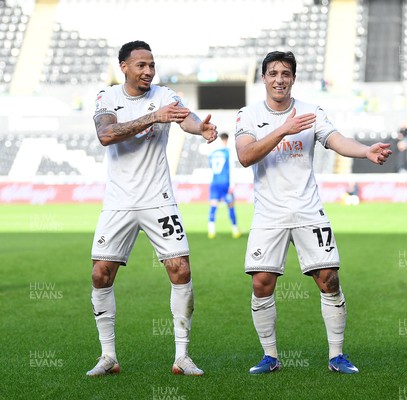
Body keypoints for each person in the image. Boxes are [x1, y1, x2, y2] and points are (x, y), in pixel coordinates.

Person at [235, 51, 391, 375]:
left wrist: (364, 151)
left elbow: (335, 140)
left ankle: (336, 356)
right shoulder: (247, 115)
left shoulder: (311, 112)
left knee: (329, 279)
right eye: (274, 73)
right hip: (269, 214)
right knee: (262, 283)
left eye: (286, 73)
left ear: (293, 78)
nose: (280, 79)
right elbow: (246, 155)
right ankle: (270, 356)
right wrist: (283, 130)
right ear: (263, 77)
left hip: (308, 209)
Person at [87, 41, 217, 377]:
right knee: (101, 274)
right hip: (118, 201)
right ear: (124, 67)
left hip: (159, 199)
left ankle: (182, 356)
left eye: (152, 65)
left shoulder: (164, 94)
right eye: (141, 65)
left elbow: (184, 118)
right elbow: (106, 134)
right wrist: (152, 117)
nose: (148, 71)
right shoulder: (108, 97)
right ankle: (108, 356)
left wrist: (200, 128)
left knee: (181, 270)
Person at [207, 133, 241, 239]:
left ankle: (211, 231)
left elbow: (211, 167)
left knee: (213, 206)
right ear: (226, 140)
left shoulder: (213, 153)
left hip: (214, 182)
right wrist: (232, 184)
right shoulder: (228, 152)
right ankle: (235, 230)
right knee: (230, 206)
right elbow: (231, 168)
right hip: (225, 183)